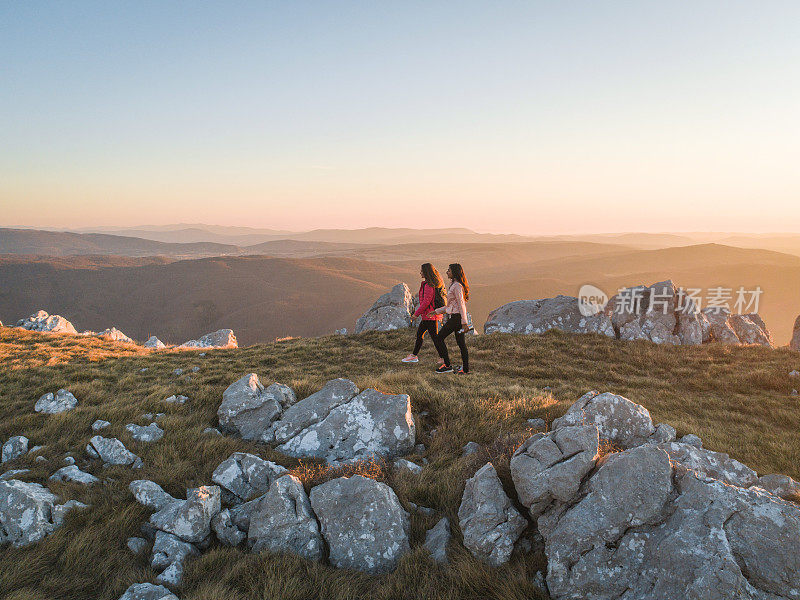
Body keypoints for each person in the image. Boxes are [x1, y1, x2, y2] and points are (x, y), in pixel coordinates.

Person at [429, 263, 471, 374]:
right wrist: (436, 311)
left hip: (456, 318)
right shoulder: (454, 284)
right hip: (456, 317)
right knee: (461, 343)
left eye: (449, 270)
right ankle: (465, 369)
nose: (447, 272)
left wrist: (464, 323)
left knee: (439, 338)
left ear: (454, 272)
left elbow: (461, 304)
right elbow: (449, 306)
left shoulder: (457, 286)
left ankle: (447, 365)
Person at [402, 263, 446, 363]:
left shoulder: (429, 285)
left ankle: (442, 358)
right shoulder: (429, 284)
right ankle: (441, 357)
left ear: (426, 272)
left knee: (433, 337)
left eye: (422, 271)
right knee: (425, 335)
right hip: (429, 316)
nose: (420, 272)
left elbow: (426, 302)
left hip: (429, 316)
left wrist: (415, 314)